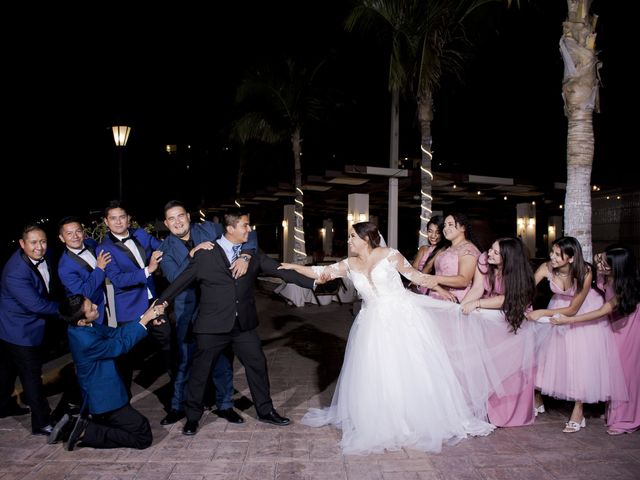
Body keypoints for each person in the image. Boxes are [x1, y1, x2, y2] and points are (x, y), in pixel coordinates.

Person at [279, 221, 502, 454]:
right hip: (371, 324)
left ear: (366, 239)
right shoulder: (350, 264)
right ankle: (385, 419)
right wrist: (293, 267)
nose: (349, 241)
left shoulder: (390, 255)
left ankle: (416, 418)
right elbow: (320, 274)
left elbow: (418, 278)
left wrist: (442, 290)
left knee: (409, 368)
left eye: (352, 236)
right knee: (379, 371)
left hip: (403, 319)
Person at [157, 210, 317, 436]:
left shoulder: (250, 254)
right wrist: (161, 303)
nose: (249, 230)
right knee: (200, 373)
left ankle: (265, 411)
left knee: (257, 366)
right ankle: (192, 417)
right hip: (212, 327)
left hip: (243, 326)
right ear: (230, 229)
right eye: (245, 226)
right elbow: (181, 281)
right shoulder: (205, 254)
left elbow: (281, 271)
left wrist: (316, 283)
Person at [158, 200, 257, 426]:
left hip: (217, 310)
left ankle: (224, 405)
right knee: (184, 362)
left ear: (188, 216)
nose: (177, 222)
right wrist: (193, 254)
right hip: (187, 313)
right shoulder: (164, 249)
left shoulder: (210, 229)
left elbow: (248, 234)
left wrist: (245, 256)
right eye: (171, 219)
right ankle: (177, 407)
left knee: (222, 361)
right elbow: (176, 280)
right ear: (166, 223)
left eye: (180, 216)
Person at [527, 237, 627, 433]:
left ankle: (578, 409)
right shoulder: (546, 268)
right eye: (552, 253)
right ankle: (537, 397)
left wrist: (541, 313)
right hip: (557, 306)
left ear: (571, 258)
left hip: (582, 312)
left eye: (558, 254)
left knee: (579, 360)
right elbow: (526, 289)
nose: (552, 257)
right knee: (546, 355)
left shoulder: (586, 272)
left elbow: (573, 309)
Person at [49, 295, 166, 450]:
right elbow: (121, 345)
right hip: (104, 397)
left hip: (103, 392)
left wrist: (146, 317)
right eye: (91, 308)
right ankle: (83, 431)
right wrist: (145, 321)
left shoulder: (83, 327)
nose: (97, 306)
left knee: (125, 426)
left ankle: (80, 423)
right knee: (143, 435)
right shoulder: (86, 341)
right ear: (81, 321)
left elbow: (116, 333)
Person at [553, 245, 640, 435]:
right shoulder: (601, 273)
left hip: (628, 327)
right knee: (611, 368)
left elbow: (602, 310)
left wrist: (570, 320)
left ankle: (626, 419)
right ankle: (613, 412)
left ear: (618, 268)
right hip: (612, 324)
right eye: (600, 259)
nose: (599, 263)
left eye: (605, 264)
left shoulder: (624, 287)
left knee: (626, 372)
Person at [460, 237, 544, 427]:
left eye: (496, 252)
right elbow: (477, 288)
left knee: (511, 370)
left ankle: (510, 414)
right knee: (490, 366)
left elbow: (508, 299)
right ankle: (488, 412)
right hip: (491, 322)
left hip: (513, 321)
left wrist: (478, 304)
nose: (490, 253)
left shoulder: (521, 275)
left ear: (508, 258)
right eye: (491, 248)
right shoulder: (483, 260)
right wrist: (463, 306)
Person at [98, 200, 170, 392]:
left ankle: (179, 398)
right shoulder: (104, 249)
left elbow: (163, 247)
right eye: (113, 218)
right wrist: (149, 269)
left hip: (153, 301)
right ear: (106, 222)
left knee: (168, 346)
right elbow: (118, 280)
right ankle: (122, 402)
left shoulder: (140, 234)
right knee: (126, 359)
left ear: (128, 219)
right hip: (128, 309)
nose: (119, 222)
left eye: (122, 217)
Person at [0, 224, 59, 435]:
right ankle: (42, 422)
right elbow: (37, 305)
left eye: (42, 241)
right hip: (19, 329)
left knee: (7, 370)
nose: (39, 247)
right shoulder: (15, 272)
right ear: (22, 244)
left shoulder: (48, 255)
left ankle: (3, 406)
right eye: (33, 242)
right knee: (32, 376)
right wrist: (70, 311)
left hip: (11, 325)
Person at [57, 216, 112, 325]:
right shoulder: (64, 268)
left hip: (104, 302)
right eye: (69, 233)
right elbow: (83, 293)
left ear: (83, 232)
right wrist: (99, 269)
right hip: (88, 315)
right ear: (62, 238)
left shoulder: (91, 243)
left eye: (78, 231)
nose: (75, 236)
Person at [425, 213, 481, 302]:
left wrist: (435, 279)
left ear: (463, 228)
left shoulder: (468, 249)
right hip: (437, 297)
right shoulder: (447, 248)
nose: (446, 229)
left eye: (450, 225)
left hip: (454, 300)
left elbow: (463, 280)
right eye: (445, 225)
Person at [410, 215, 449, 294]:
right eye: (430, 231)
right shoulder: (423, 249)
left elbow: (429, 267)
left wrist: (417, 282)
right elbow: (414, 267)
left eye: (437, 232)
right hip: (417, 283)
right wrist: (413, 281)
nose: (433, 236)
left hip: (432, 288)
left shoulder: (444, 249)